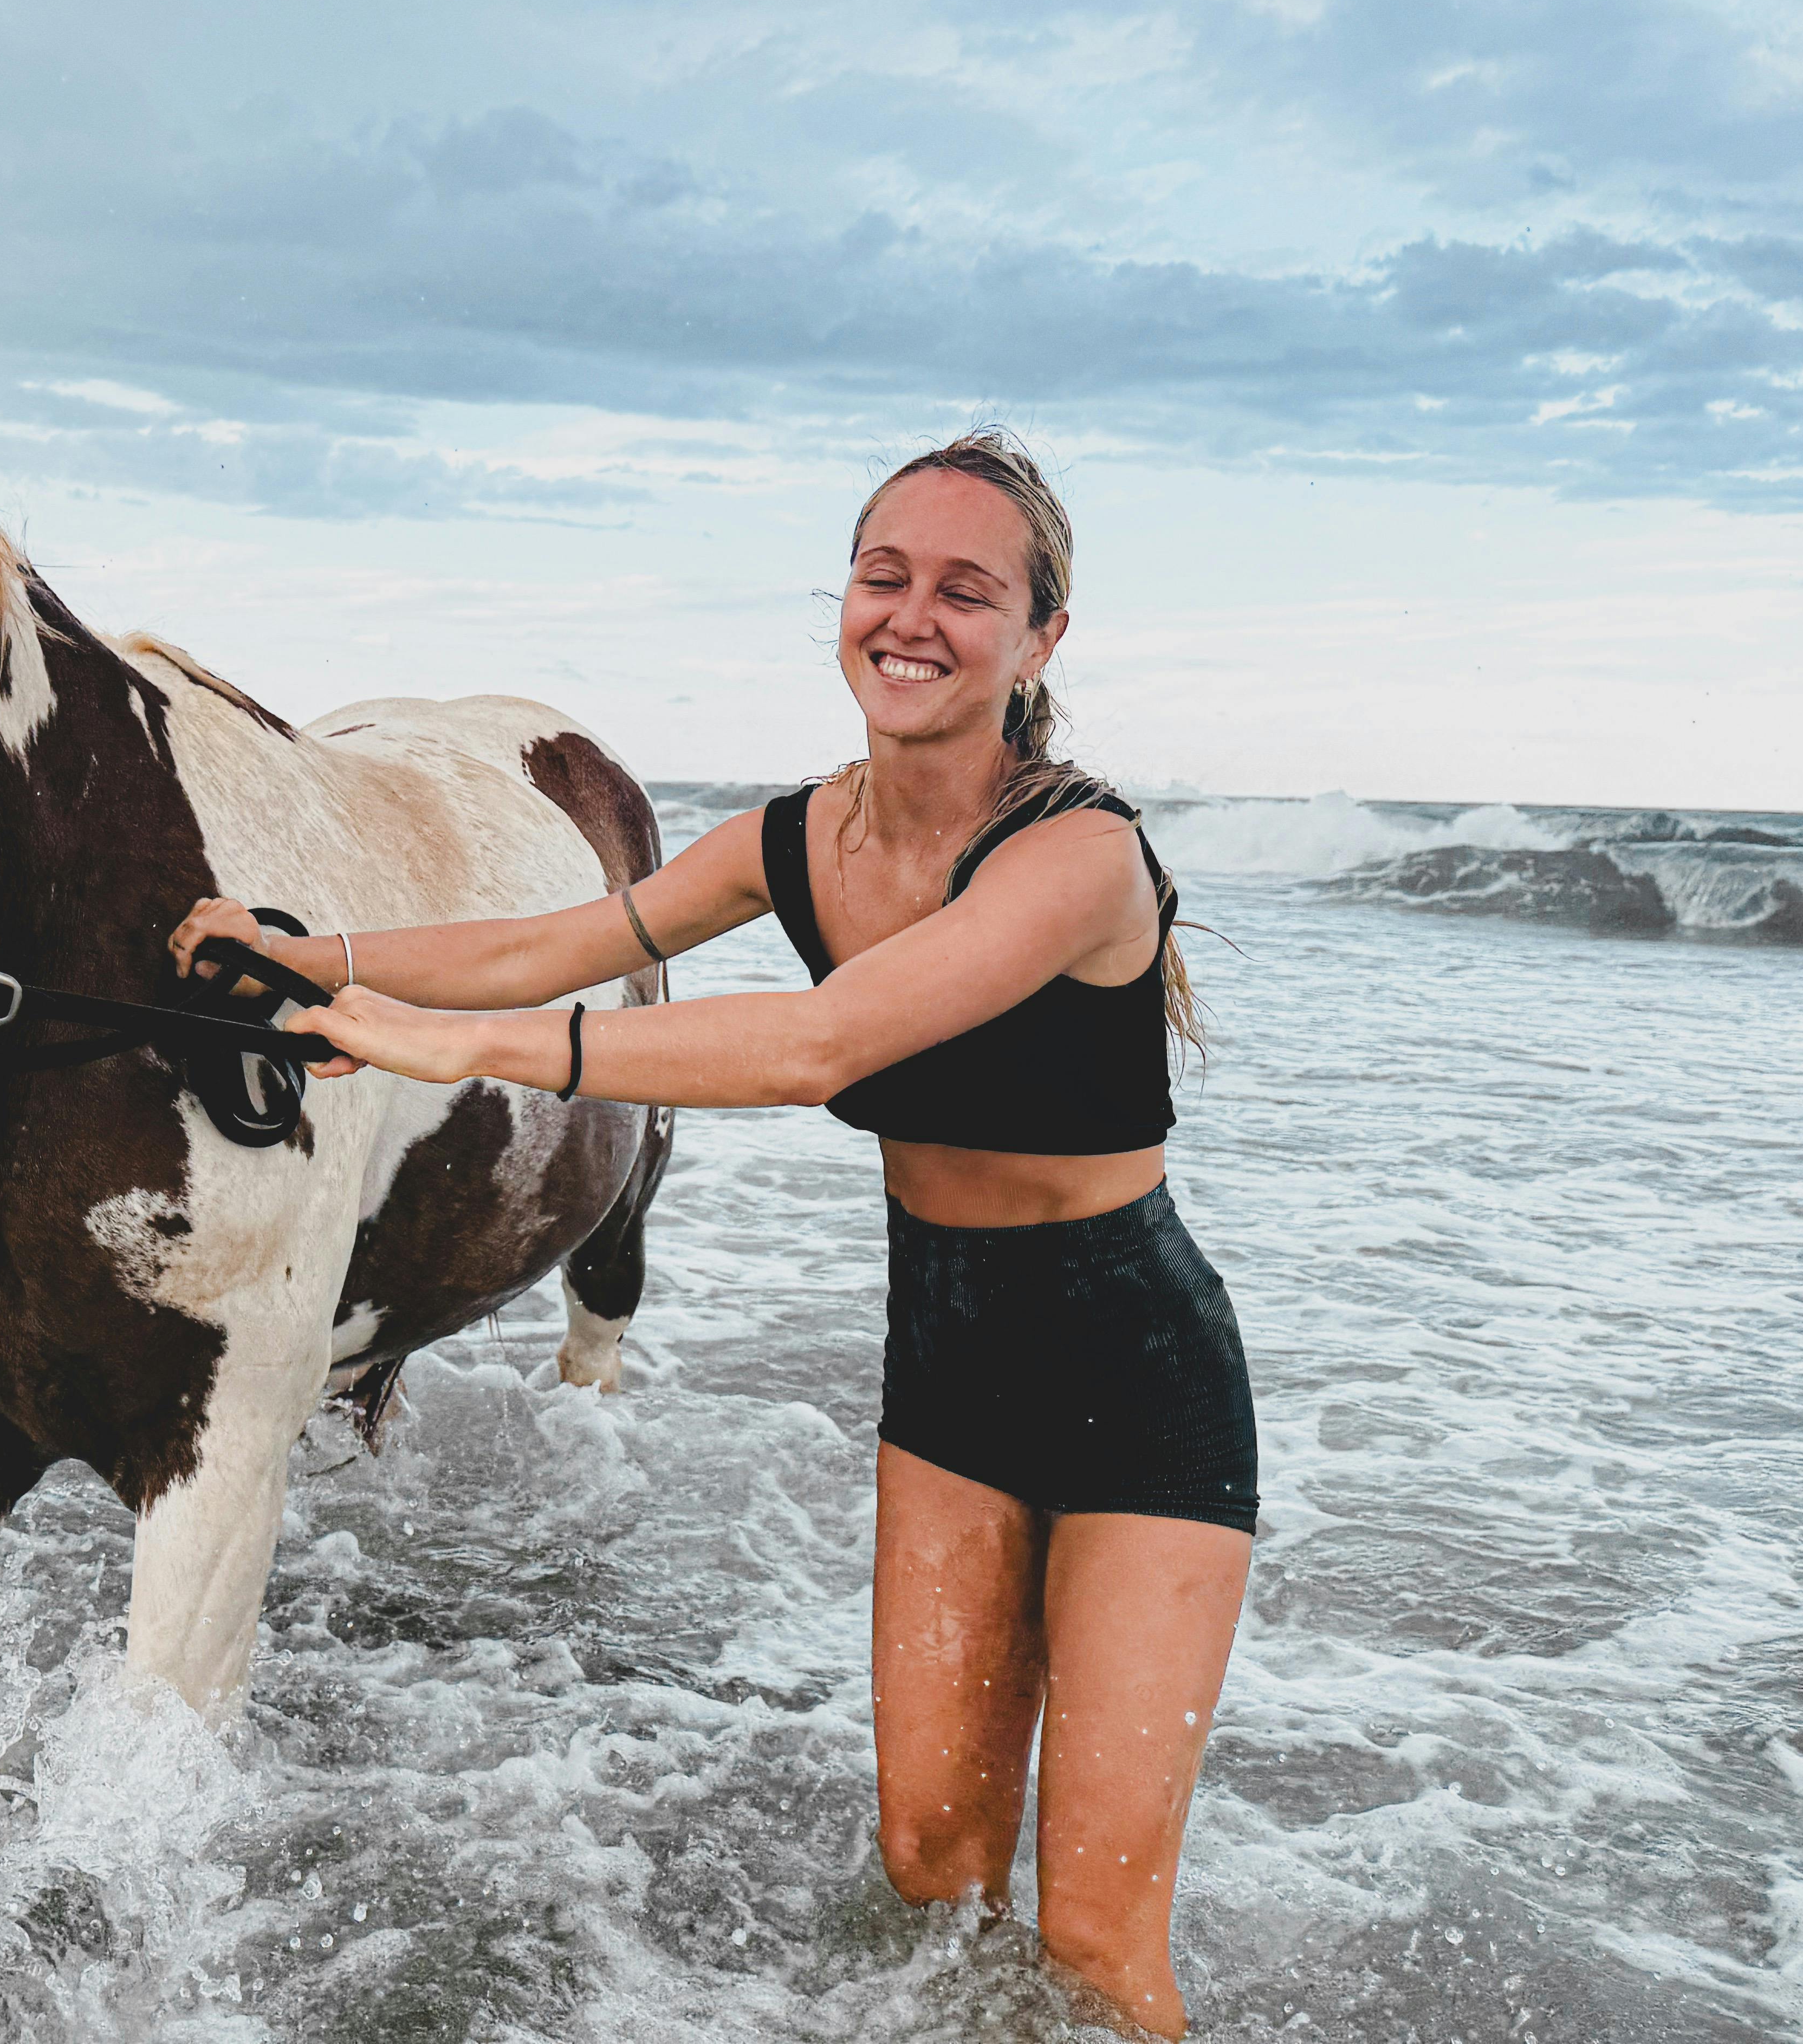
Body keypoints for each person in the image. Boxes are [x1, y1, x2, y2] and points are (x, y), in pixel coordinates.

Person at [168, 431, 1254, 2039]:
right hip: (953, 1361)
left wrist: (462, 1048)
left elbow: (822, 1044)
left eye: (970, 588)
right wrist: (314, 950)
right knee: (932, 1861)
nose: (914, 614)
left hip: (1137, 1378)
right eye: (885, 575)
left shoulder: (1082, 858)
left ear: (1040, 640)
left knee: (1098, 1938)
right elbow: (562, 938)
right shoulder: (797, 836)